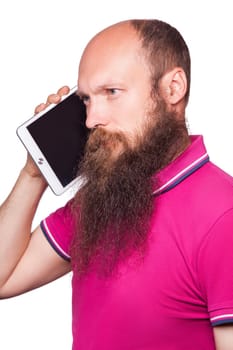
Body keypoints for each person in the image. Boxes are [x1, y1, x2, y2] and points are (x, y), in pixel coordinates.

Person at [0, 19, 233, 350]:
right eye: (85, 100)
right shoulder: (101, 200)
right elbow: (3, 278)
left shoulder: (223, 216)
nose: (92, 120)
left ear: (173, 88)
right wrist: (33, 174)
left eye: (111, 92)